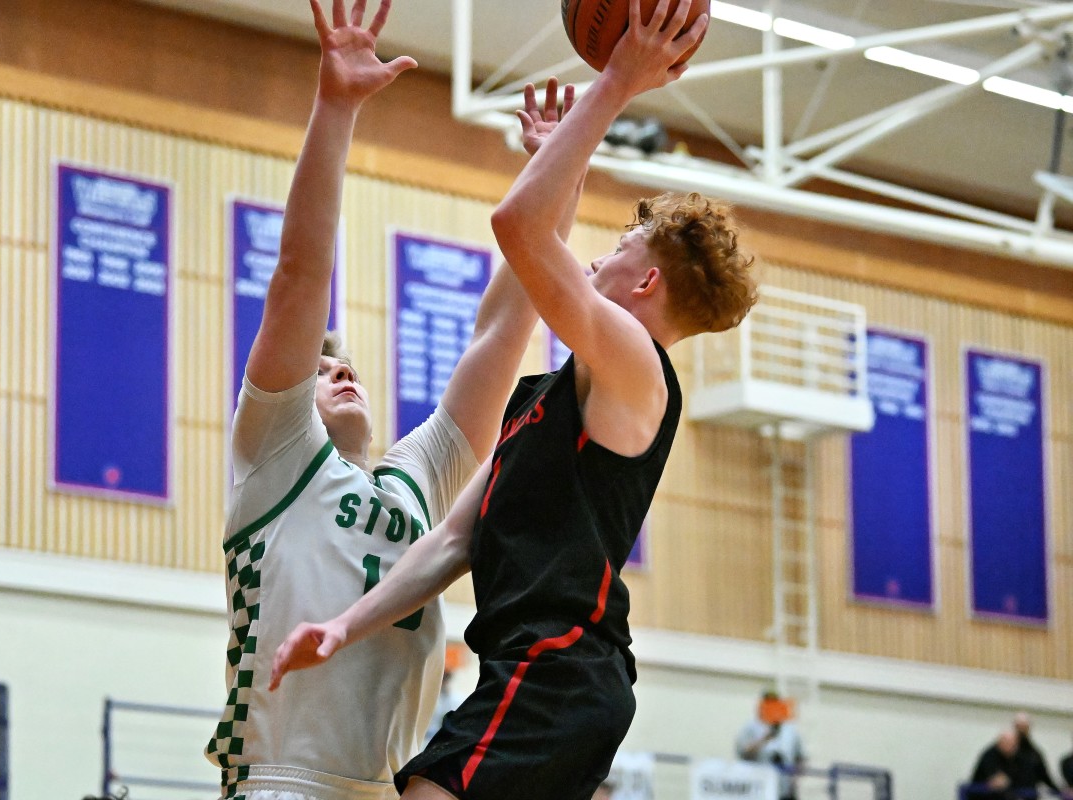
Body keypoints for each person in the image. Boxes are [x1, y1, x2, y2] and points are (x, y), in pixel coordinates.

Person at [268, 2, 756, 799]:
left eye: (618, 249)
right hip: (533, 673)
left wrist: (619, 82)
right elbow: (454, 541)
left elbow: (520, 226)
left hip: (560, 671)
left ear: (648, 283)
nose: (595, 258)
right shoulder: (555, 399)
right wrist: (343, 627)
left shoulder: (641, 367)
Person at [203, 1, 586, 798]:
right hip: (282, 782)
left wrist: (559, 169)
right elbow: (299, 277)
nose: (341, 372)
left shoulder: (416, 479)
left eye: (351, 369)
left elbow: (503, 332)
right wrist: (336, 108)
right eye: (321, 370)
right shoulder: (276, 457)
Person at [735, 691, 806, 800]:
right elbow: (743, 753)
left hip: (785, 790)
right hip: (759, 789)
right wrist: (764, 739)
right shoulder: (750, 727)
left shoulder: (790, 729)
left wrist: (795, 779)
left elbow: (801, 757)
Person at [1014, 712, 1061, 797]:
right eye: (1020, 727)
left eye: (1025, 727)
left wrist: (1061, 792)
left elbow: (1044, 776)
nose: (1022, 730)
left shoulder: (1034, 753)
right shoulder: (1003, 751)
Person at [969, 729, 1019, 800]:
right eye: (1008, 744)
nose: (1012, 748)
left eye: (1014, 745)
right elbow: (995, 782)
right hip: (981, 794)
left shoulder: (1014, 758)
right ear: (1000, 743)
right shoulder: (989, 755)